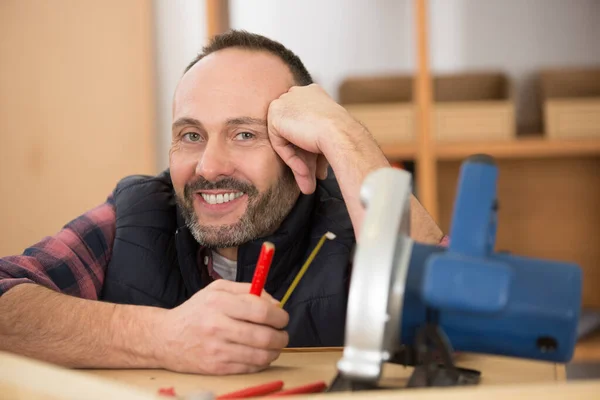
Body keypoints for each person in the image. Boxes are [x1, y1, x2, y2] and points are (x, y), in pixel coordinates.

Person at [0, 30, 445, 375]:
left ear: (302, 150)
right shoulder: (136, 214)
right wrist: (162, 337)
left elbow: (454, 315)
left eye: (245, 134)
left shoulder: (359, 223)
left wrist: (343, 135)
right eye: (191, 135)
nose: (209, 166)